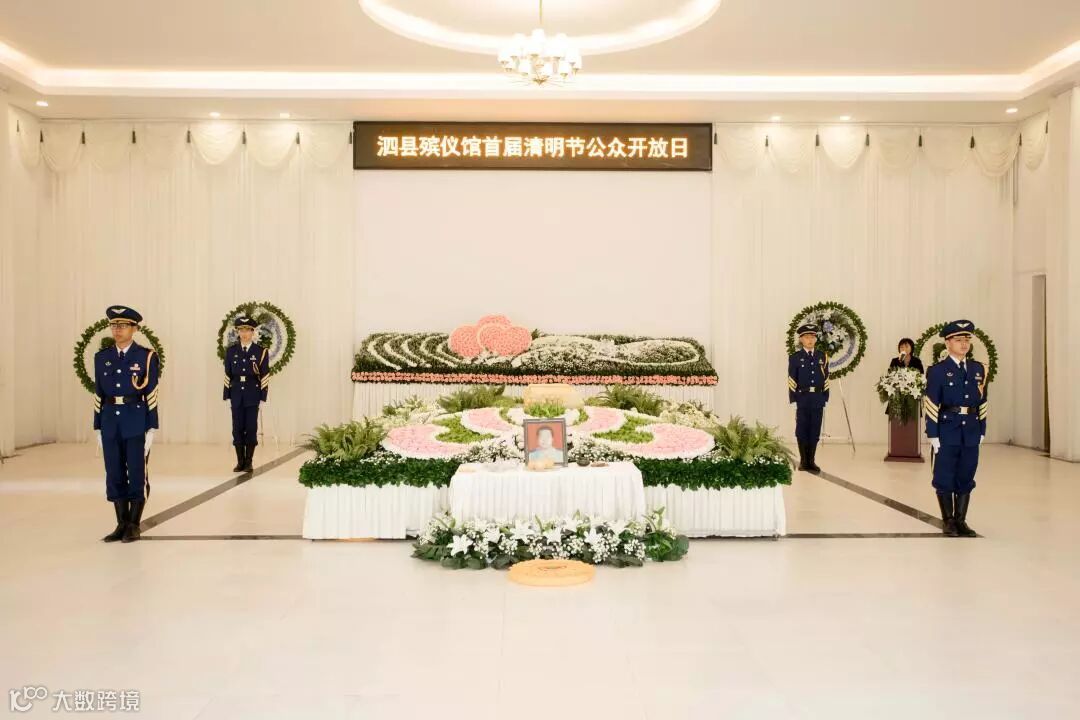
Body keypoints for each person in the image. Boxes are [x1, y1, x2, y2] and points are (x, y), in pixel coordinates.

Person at [94, 305, 160, 543]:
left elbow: (151, 392)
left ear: (135, 328)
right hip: (110, 420)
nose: (117, 330)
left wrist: (151, 426)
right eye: (114, 325)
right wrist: (98, 425)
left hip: (135, 419)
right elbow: (98, 393)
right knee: (114, 472)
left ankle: (134, 523)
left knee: (136, 471)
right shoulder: (102, 358)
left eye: (122, 326)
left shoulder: (146, 357)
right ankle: (121, 523)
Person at [923, 320, 987, 537]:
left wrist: (982, 429)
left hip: (971, 430)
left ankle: (961, 521)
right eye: (958, 340)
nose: (964, 344)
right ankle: (949, 521)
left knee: (966, 474)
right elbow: (932, 403)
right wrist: (933, 434)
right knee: (944, 475)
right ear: (947, 343)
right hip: (947, 429)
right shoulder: (938, 371)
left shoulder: (978, 369)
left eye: (967, 339)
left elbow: (982, 401)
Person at [223, 316, 269, 472]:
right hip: (236, 394)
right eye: (241, 330)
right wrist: (227, 394)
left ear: (253, 332)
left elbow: (265, 375)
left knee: (250, 428)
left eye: (247, 330)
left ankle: (249, 461)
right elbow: (227, 374)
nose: (244, 334)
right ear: (238, 332)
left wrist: (262, 397)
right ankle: (240, 461)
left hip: (252, 394)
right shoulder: (231, 351)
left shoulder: (260, 352)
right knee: (237, 428)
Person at [788, 323, 831, 473]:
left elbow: (826, 378)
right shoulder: (795, 358)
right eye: (807, 337)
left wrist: (825, 397)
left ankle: (811, 461)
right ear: (801, 339)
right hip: (802, 398)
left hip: (817, 398)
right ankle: (803, 461)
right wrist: (793, 400)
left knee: (814, 430)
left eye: (812, 337)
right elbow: (792, 379)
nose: (810, 340)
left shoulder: (822, 356)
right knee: (801, 429)